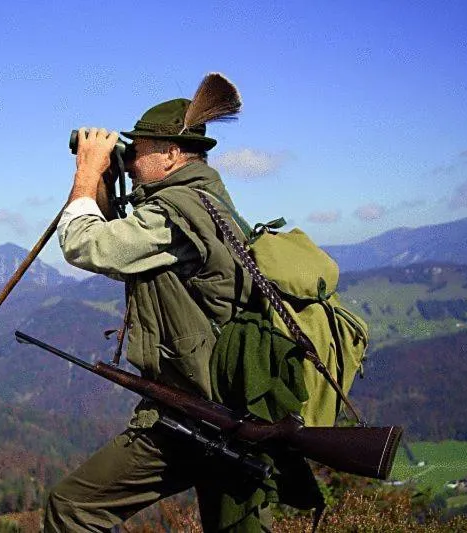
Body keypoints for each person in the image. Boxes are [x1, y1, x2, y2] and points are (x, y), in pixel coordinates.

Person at [46, 78, 315, 532]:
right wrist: (107, 190)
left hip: (199, 413)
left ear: (171, 154)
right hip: (224, 408)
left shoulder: (176, 212)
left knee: (73, 507)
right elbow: (127, 258)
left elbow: (83, 246)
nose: (130, 160)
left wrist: (86, 176)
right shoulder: (204, 204)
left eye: (138, 150)